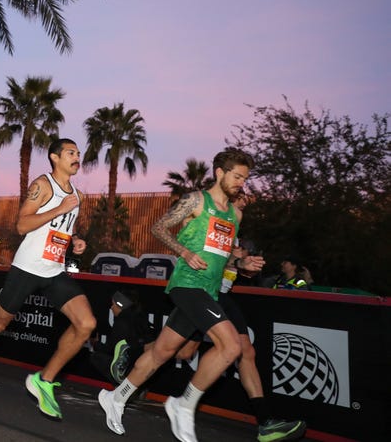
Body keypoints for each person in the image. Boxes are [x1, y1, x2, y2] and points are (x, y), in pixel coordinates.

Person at [97, 148, 276, 442]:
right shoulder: (196, 201)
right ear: (219, 172)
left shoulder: (235, 214)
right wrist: (184, 251)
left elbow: (222, 255)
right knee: (231, 347)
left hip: (209, 291)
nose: (241, 183)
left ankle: (116, 397)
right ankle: (184, 404)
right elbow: (158, 227)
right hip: (186, 285)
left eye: (245, 178)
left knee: (162, 352)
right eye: (237, 176)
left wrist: (241, 263)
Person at [0, 137, 93, 421]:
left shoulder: (77, 194)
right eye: (71, 153)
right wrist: (59, 209)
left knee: (86, 324)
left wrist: (75, 241)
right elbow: (22, 224)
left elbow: (60, 227)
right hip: (26, 268)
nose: (77, 157)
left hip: (54, 271)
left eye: (78, 153)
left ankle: (44, 380)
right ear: (54, 158)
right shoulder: (42, 185)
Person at [173, 239, 307, 442]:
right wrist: (237, 261)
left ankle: (265, 422)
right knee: (182, 352)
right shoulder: (213, 223)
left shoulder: (232, 223)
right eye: (241, 203)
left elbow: (235, 270)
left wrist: (247, 269)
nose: (244, 204)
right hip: (204, 295)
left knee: (246, 351)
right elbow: (211, 261)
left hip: (224, 298)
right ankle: (138, 353)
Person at [89, 291, 156, 385]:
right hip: (144, 364)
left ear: (120, 305)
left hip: (130, 365)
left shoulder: (122, 322)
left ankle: (122, 386)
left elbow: (112, 349)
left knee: (96, 357)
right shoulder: (140, 317)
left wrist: (95, 343)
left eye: (113, 305)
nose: (111, 308)